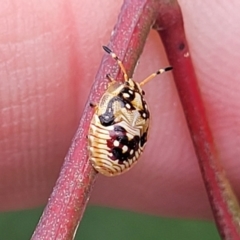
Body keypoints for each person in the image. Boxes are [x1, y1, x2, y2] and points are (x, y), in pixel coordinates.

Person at [0, 0, 239, 220]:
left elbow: (106, 110)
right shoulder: (133, 107)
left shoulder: (127, 105)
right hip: (111, 151)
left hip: (109, 150)